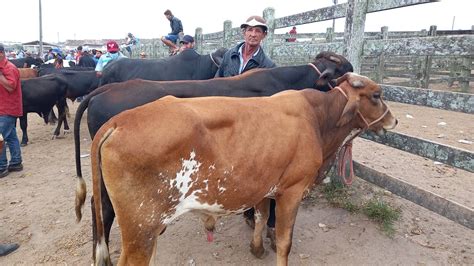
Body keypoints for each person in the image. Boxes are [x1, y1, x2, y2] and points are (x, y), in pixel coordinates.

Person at [213, 15, 277, 248]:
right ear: (243, 33)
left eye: (258, 31)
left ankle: (254, 211)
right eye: (249, 30)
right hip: (225, 115)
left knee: (252, 165)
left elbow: (269, 98)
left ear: (264, 36)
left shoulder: (268, 65)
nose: (253, 34)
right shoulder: (229, 56)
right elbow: (217, 81)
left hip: (249, 121)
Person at [0, 43, 24, 179]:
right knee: (10, 137)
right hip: (4, 108)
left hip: (7, 109)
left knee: (0, 138)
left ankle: (1, 167)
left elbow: (10, 87)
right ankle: (16, 162)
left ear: (1, 53)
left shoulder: (10, 68)